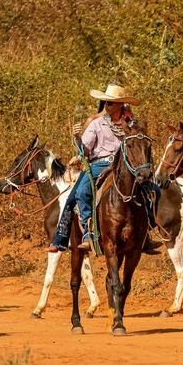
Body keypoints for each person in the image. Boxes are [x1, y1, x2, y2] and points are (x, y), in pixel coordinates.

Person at [49, 84, 139, 253]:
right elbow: (84, 150)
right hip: (101, 164)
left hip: (124, 164)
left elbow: (138, 144)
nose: (106, 105)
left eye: (110, 103)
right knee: (82, 192)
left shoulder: (131, 123)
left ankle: (146, 233)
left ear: (120, 105)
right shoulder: (96, 124)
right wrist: (77, 138)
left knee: (150, 188)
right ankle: (88, 234)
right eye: (105, 102)